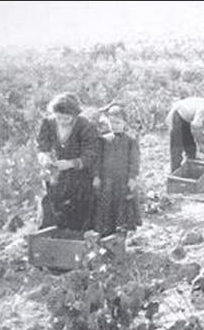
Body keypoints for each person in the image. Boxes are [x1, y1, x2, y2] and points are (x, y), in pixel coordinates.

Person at [37, 92, 99, 231]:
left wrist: (71, 163)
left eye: (67, 118)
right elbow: (42, 146)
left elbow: (91, 154)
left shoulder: (85, 126)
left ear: (75, 115)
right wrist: (45, 157)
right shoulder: (48, 123)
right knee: (49, 201)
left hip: (80, 174)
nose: (62, 121)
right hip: (57, 172)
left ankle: (76, 239)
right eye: (59, 117)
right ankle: (48, 237)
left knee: (78, 210)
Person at [92, 104, 142, 236]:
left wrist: (132, 178)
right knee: (106, 206)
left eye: (118, 122)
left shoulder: (131, 140)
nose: (115, 125)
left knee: (123, 205)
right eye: (112, 122)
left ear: (125, 123)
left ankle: (121, 234)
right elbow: (98, 160)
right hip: (107, 180)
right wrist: (96, 176)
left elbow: (134, 161)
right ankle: (107, 232)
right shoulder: (103, 140)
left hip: (123, 180)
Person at [166, 96, 204, 173]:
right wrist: (200, 143)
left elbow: (200, 128)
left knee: (190, 146)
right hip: (178, 114)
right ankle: (175, 173)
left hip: (187, 118)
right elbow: (195, 127)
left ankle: (190, 166)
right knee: (177, 147)